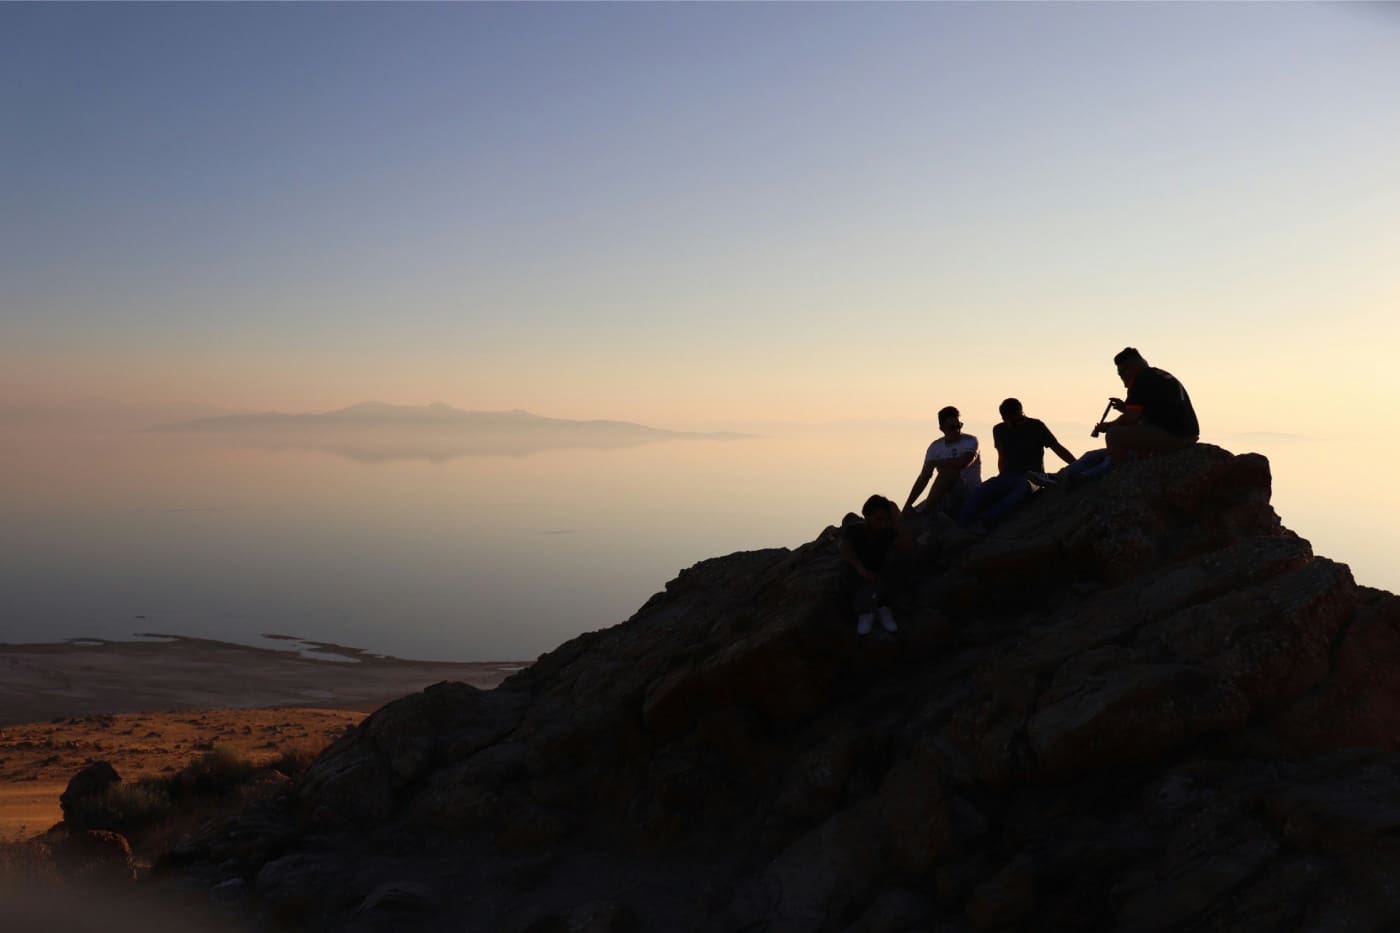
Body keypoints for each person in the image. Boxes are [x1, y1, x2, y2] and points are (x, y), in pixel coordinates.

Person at [1068, 347, 1200, 481]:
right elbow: (1152, 412)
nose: (1123, 381)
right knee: (1137, 429)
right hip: (1187, 433)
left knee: (1114, 435)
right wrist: (1125, 409)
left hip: (1174, 436)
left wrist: (1109, 426)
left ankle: (1124, 477)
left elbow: (1130, 418)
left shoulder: (1140, 380)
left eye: (1121, 374)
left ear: (1130, 369)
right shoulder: (1158, 375)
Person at [960, 398, 1075, 528]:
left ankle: (985, 522)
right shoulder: (999, 430)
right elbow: (1001, 457)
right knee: (981, 491)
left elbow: (1058, 448)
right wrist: (1001, 477)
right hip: (1008, 475)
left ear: (1021, 413)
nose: (1013, 423)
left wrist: (1077, 465)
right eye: (1009, 420)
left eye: (1016, 419)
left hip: (1033, 477)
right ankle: (961, 524)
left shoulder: (1036, 426)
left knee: (1017, 495)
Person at [838, 495, 912, 635]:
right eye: (878, 519)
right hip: (860, 576)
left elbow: (907, 546)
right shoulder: (854, 531)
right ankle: (866, 611)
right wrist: (862, 570)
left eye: (885, 520)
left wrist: (896, 523)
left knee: (898, 564)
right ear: (867, 516)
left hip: (879, 577)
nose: (882, 524)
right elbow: (844, 548)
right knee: (848, 570)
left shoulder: (887, 533)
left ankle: (882, 608)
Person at [903, 406, 981, 517]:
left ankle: (925, 514)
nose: (957, 430)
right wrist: (907, 505)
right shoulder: (935, 447)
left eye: (959, 426)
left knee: (947, 473)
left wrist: (936, 463)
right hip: (945, 496)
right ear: (942, 428)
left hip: (968, 493)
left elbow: (964, 462)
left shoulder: (970, 441)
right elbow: (923, 478)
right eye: (952, 428)